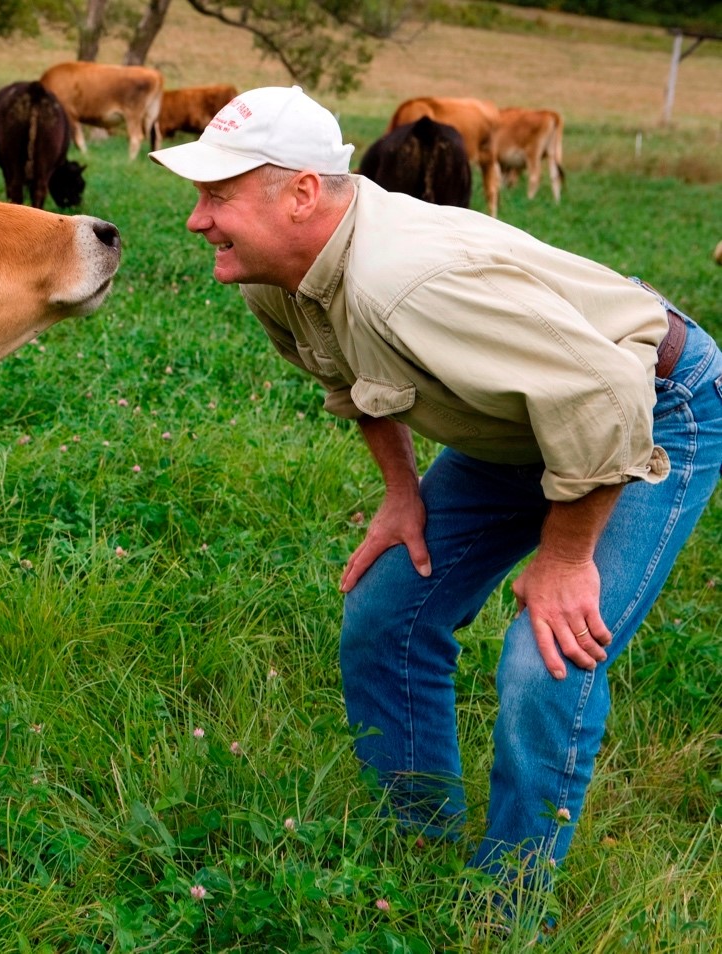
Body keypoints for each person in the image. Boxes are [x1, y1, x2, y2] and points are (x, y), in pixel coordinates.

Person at [150, 86, 722, 900]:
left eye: (218, 196)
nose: (196, 220)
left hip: (651, 405)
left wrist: (564, 560)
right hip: (526, 416)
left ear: (304, 193)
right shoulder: (271, 273)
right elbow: (346, 371)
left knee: (546, 656)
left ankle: (507, 905)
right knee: (386, 613)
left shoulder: (406, 282)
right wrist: (401, 493)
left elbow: (602, 398)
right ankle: (413, 855)